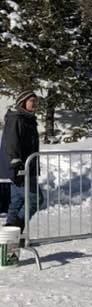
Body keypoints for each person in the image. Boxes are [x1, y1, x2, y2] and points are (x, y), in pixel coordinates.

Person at [1, 89, 43, 235]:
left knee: (17, 201)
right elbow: (11, 142)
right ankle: (16, 232)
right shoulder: (16, 118)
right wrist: (16, 162)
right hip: (20, 167)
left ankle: (8, 237)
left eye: (36, 101)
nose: (35, 104)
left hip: (27, 166)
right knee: (36, 199)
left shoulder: (28, 119)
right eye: (32, 101)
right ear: (22, 102)